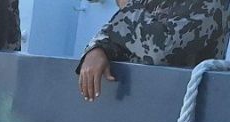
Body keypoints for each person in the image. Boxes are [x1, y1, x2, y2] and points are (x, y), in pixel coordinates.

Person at [78, 0, 229, 101]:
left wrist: (128, 3)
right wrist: (97, 50)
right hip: (136, 106)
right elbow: (114, 29)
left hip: (179, 112)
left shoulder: (213, 3)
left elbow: (162, 52)